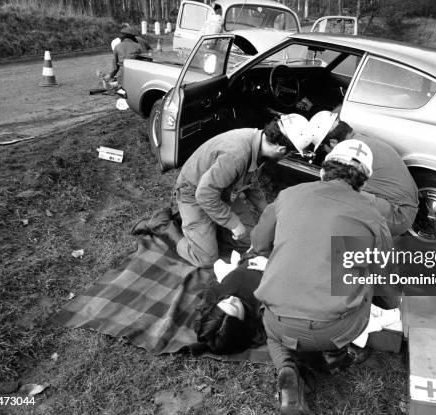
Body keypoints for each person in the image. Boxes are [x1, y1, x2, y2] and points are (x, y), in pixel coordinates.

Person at [251, 139, 393, 414]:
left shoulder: (288, 195)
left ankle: (287, 369)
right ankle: (336, 354)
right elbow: (382, 273)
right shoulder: (373, 215)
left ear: (323, 171)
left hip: (281, 323)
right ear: (363, 184)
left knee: (272, 333)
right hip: (335, 329)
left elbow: (258, 244)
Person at [169, 114, 311, 268]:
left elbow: (251, 184)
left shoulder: (259, 144)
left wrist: (271, 213)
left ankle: (209, 229)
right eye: (289, 153)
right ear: (282, 149)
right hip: (194, 191)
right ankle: (169, 230)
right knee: (206, 258)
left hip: (222, 190)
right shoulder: (236, 155)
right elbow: (204, 194)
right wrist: (233, 223)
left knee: (250, 239)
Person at [311, 111, 419, 237]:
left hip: (399, 215)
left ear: (333, 142)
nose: (324, 151)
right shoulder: (361, 139)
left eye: (323, 147)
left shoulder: (351, 157)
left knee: (335, 192)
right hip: (404, 206)